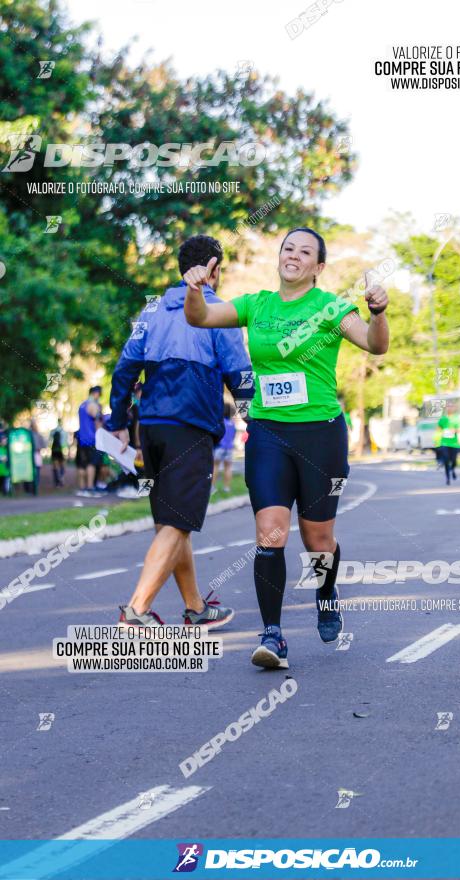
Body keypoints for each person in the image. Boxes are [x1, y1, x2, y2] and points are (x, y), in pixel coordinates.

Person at [183, 226, 389, 669]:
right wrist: (195, 289)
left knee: (318, 539)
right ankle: (272, 635)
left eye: (305, 252)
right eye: (288, 248)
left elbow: (376, 345)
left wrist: (378, 313)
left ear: (318, 267)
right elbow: (199, 318)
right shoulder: (257, 305)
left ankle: (326, 592)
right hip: (269, 434)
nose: (293, 256)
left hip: (320, 434)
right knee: (270, 533)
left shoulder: (332, 308)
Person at [109, 234, 254, 632]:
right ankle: (136, 610)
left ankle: (195, 608)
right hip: (189, 428)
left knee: (171, 524)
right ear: (213, 268)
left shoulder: (152, 310)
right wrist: (255, 421)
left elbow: (125, 368)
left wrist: (118, 421)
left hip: (151, 429)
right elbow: (239, 374)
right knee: (177, 523)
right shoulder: (217, 311)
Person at [76, 386, 102, 495]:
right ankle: (90, 487)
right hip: (91, 439)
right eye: (99, 394)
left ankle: (82, 489)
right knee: (91, 463)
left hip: (81, 438)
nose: (99, 396)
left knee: (82, 464)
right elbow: (97, 421)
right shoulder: (93, 405)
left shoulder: (82, 405)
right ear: (95, 393)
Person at [212, 402, 236, 494]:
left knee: (215, 466)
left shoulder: (221, 423)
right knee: (228, 468)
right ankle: (226, 488)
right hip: (229, 448)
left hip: (219, 447)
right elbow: (233, 436)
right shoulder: (233, 424)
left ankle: (212, 487)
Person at [437, 401, 460, 485]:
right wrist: (443, 431)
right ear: (446, 408)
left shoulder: (457, 418)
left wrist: (455, 430)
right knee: (446, 460)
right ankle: (448, 478)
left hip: (454, 443)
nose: (449, 408)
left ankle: (452, 469)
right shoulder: (443, 418)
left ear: (454, 408)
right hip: (444, 443)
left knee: (454, 461)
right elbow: (439, 428)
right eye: (448, 406)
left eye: (451, 406)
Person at [49, 419, 68, 487]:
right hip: (62, 450)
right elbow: (66, 442)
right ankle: (61, 478)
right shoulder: (64, 432)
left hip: (54, 450)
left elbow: (49, 441)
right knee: (62, 465)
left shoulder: (53, 431)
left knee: (55, 465)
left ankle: (57, 480)